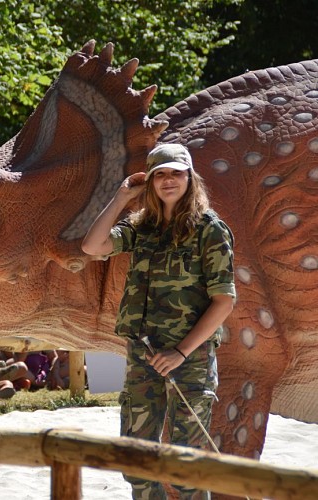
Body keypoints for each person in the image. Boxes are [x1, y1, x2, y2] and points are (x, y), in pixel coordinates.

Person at [81, 143, 236, 499]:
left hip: (189, 359)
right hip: (143, 355)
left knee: (186, 467)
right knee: (136, 459)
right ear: (150, 182)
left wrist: (180, 353)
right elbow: (93, 246)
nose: (169, 181)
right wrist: (121, 197)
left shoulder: (209, 230)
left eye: (176, 173)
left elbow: (224, 301)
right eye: (160, 175)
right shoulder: (142, 227)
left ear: (189, 177)